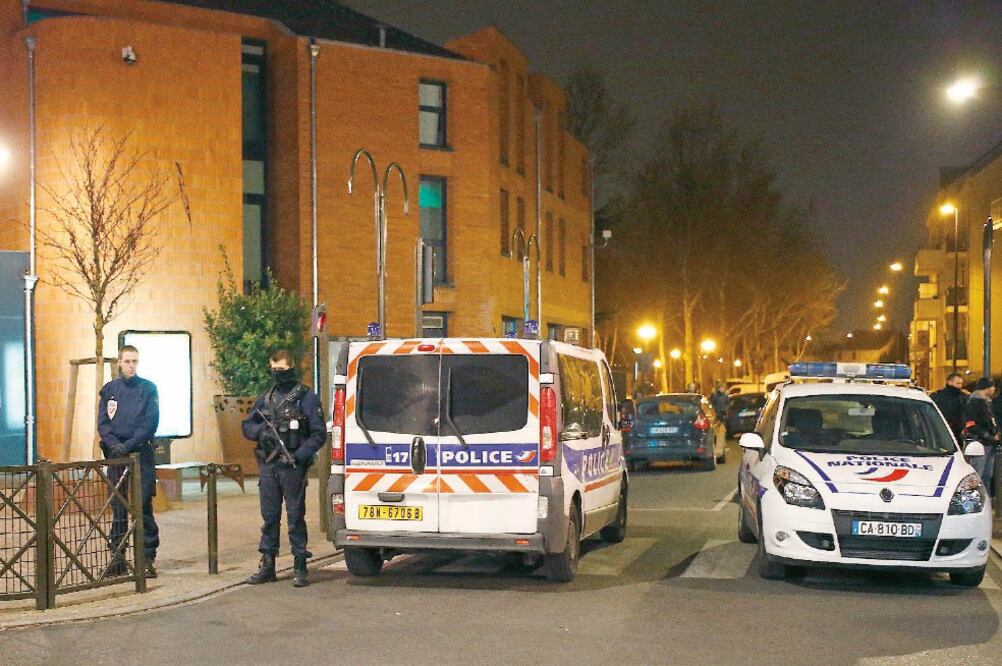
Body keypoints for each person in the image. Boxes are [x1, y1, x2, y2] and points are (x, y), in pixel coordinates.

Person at [241, 349, 326, 587]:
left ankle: (300, 564)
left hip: (293, 465)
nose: (277, 374)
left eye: (281, 369)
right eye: (274, 369)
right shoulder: (266, 398)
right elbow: (247, 426)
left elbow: (319, 434)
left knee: (295, 516)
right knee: (269, 516)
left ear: (292, 367)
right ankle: (268, 564)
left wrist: (299, 455)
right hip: (269, 464)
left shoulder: (306, 398)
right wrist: (262, 432)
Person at [98, 344, 160, 578]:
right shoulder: (109, 390)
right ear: (119, 363)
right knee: (119, 507)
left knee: (143, 505)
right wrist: (114, 445)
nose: (131, 365)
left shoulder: (148, 389)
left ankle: (146, 558)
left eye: (135, 361)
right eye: (127, 361)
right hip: (116, 456)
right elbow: (103, 423)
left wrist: (129, 444)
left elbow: (150, 423)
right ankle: (118, 558)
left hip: (140, 455)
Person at [962, 376, 999, 491]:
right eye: (992, 386)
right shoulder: (974, 403)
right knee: (978, 476)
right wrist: (990, 436)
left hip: (988, 444)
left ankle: (985, 501)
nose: (994, 389)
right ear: (986, 388)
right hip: (979, 445)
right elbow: (971, 425)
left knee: (987, 476)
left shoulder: (986, 403)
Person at [931, 372, 968, 440]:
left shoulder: (937, 396)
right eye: (957, 383)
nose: (960, 386)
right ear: (949, 382)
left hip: (940, 430)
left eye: (961, 384)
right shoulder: (962, 397)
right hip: (953, 431)